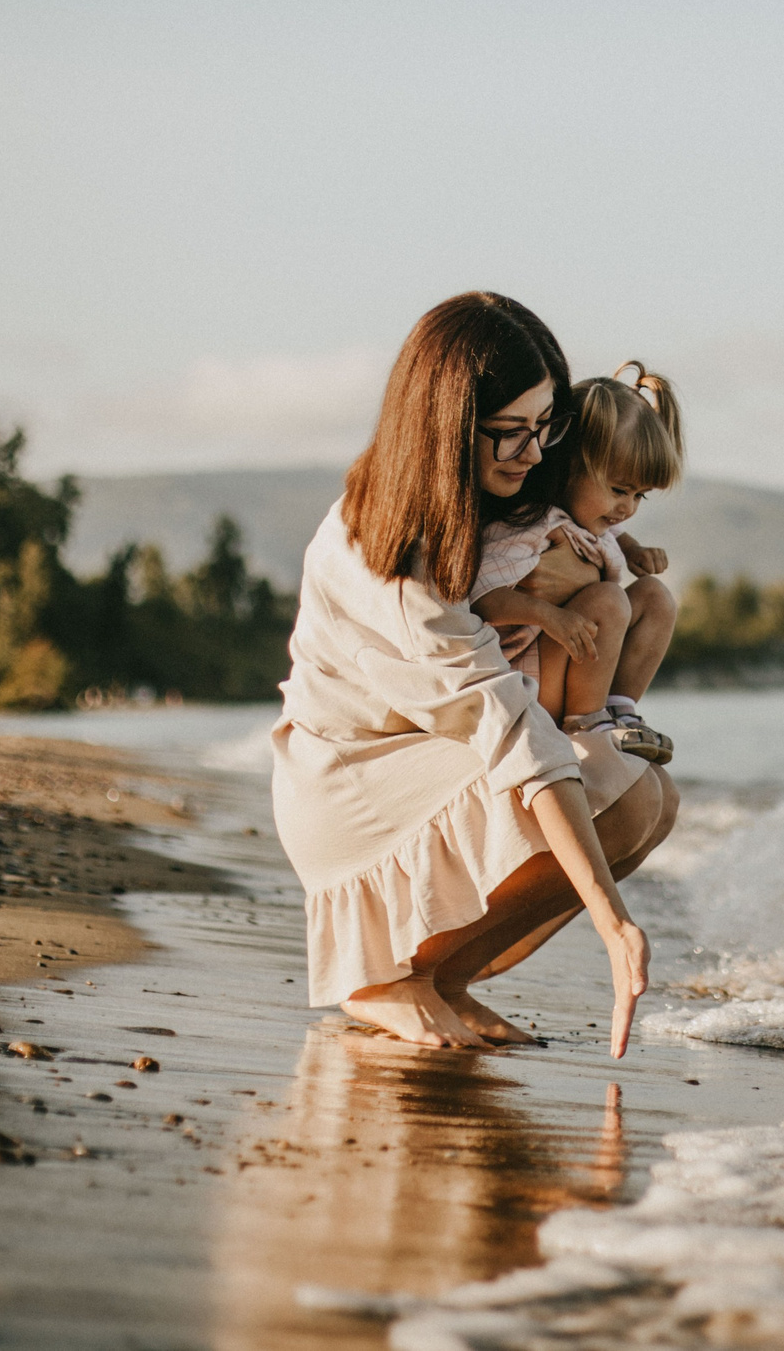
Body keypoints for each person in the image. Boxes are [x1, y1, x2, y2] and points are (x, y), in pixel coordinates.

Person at [268, 292, 677, 1053]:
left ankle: (441, 978)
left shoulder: (490, 512)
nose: (533, 454)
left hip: (423, 756)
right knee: (623, 792)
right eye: (509, 433)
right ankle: (386, 978)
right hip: (353, 783)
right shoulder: (387, 554)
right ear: (447, 427)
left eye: (545, 428)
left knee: (655, 798)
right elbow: (512, 724)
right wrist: (612, 921)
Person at [467, 363, 683, 766]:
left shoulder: (589, 524)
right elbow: (482, 597)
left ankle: (619, 708)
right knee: (607, 600)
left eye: (640, 496)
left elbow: (613, 536)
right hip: (533, 678)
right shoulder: (531, 524)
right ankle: (586, 724)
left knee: (655, 597)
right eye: (619, 490)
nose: (628, 508)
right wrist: (546, 615)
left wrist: (635, 551)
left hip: (573, 662)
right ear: (569, 467)